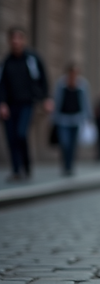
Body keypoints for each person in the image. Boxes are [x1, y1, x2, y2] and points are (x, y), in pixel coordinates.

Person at [0, 28, 52, 181]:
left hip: (27, 104)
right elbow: (1, 84)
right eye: (13, 39)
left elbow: (42, 79)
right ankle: (16, 170)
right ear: (10, 41)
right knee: (11, 138)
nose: (16, 41)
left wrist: (46, 98)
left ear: (23, 40)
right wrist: (2, 103)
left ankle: (26, 165)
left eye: (19, 38)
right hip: (10, 105)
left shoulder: (32, 59)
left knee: (21, 133)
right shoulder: (6, 62)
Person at [51, 64, 92, 175]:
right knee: (65, 143)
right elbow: (56, 100)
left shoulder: (82, 84)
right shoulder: (61, 84)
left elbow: (85, 102)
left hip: (76, 118)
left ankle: (69, 166)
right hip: (62, 119)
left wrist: (88, 117)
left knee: (72, 145)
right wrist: (53, 117)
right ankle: (65, 164)